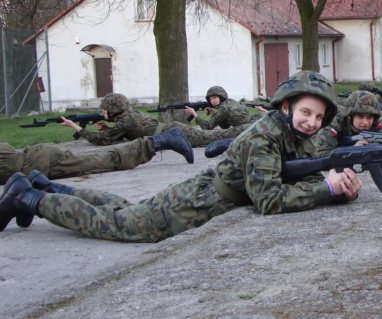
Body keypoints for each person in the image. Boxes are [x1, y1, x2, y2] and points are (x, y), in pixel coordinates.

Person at [0, 71, 362, 241]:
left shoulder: (295, 133)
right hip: (202, 200)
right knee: (122, 225)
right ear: (286, 106)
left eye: (319, 117)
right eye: (306, 112)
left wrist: (339, 183)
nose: (312, 122)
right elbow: (267, 200)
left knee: (126, 209)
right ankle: (30, 198)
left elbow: (302, 175)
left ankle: (43, 185)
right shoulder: (267, 135)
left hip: (206, 193)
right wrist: (324, 191)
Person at [0, 128, 194, 185]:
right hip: (39, 163)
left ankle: (160, 141)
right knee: (105, 158)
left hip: (40, 164)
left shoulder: (126, 118)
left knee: (108, 160)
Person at [60, 93, 249, 148]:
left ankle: (248, 130)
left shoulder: (125, 121)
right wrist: (107, 127)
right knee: (212, 135)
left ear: (115, 110)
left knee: (215, 136)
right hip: (171, 129)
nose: (102, 112)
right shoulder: (128, 115)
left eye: (105, 110)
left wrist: (75, 127)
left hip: (172, 133)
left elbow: (102, 141)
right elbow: (118, 133)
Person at [313, 90, 382, 156]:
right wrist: (351, 150)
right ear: (349, 116)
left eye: (369, 117)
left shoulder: (376, 123)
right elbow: (320, 153)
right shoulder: (334, 122)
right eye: (360, 116)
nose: (365, 122)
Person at [184, 86, 254, 130]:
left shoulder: (223, 108)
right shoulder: (230, 101)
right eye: (210, 99)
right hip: (252, 124)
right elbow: (225, 126)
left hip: (249, 128)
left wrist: (194, 113)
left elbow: (207, 127)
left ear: (221, 97)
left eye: (214, 98)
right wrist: (213, 113)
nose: (212, 101)